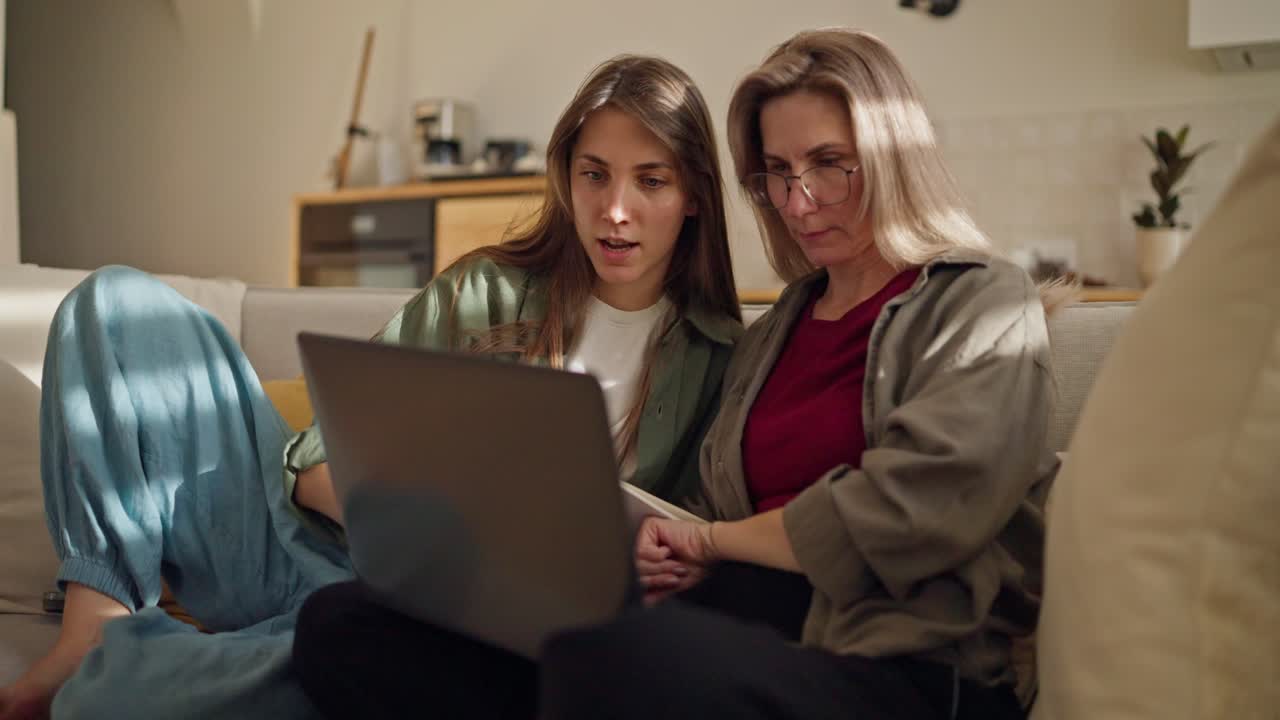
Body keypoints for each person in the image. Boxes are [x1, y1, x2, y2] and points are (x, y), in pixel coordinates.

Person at [291, 28, 1062, 720]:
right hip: (729, 627)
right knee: (344, 628)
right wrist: (665, 551)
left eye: (830, 165)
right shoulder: (776, 332)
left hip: (897, 658)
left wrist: (712, 543)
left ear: (894, 158)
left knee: (612, 659)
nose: (801, 201)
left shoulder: (981, 300)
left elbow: (916, 506)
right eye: (779, 174)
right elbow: (700, 505)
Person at [0, 54, 740, 720]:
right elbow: (311, 460)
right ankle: (94, 624)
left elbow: (697, 550)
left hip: (411, 623)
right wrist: (413, 519)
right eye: (594, 173)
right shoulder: (487, 291)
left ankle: (152, 672)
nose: (615, 210)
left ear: (694, 196)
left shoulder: (724, 357)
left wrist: (661, 555)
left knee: (189, 689)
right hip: (301, 540)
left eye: (651, 180)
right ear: (566, 175)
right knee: (116, 304)